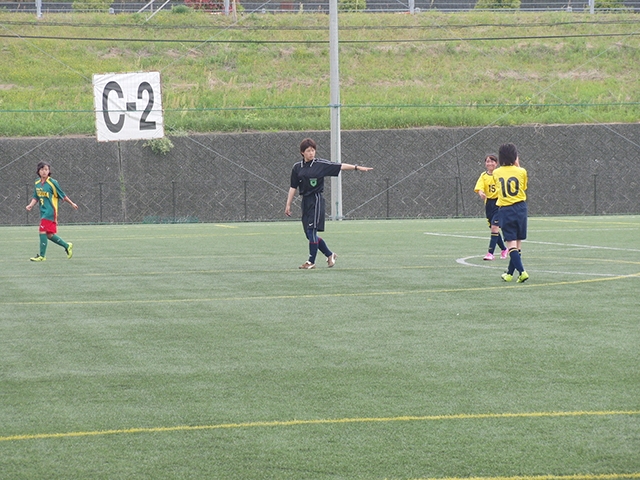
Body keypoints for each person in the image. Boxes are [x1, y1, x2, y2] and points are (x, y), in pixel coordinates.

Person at [285, 138, 373, 269]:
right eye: (308, 151)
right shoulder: (297, 167)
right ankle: (330, 254)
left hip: (316, 200)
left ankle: (311, 262)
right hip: (305, 201)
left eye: (313, 150)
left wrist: (357, 167)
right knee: (309, 234)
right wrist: (288, 204)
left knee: (312, 231)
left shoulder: (320, 164)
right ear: (302, 152)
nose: (311, 153)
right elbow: (293, 187)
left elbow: (339, 166)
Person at [26, 161, 78, 262]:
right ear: (38, 171)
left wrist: (72, 203)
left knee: (42, 230)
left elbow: (62, 195)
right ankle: (67, 246)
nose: (44, 171)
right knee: (49, 235)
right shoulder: (37, 183)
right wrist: (31, 205)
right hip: (43, 212)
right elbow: (35, 196)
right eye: (42, 169)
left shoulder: (52, 182)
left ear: (49, 171)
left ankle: (42, 256)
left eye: (46, 169)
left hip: (50, 212)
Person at [493, 143, 529, 283]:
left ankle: (522, 272)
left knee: (511, 244)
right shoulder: (522, 171)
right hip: (521, 208)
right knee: (517, 244)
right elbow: (523, 187)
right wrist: (517, 165)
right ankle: (509, 274)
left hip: (506, 209)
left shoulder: (496, 172)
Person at [474, 154, 508, 261]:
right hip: (489, 204)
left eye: (492, 161)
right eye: (488, 161)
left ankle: (490, 253)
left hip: (499, 203)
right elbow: (479, 187)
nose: (490, 163)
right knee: (494, 229)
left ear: (496, 163)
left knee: (494, 227)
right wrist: (481, 193)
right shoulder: (483, 175)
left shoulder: (500, 174)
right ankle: (504, 249)